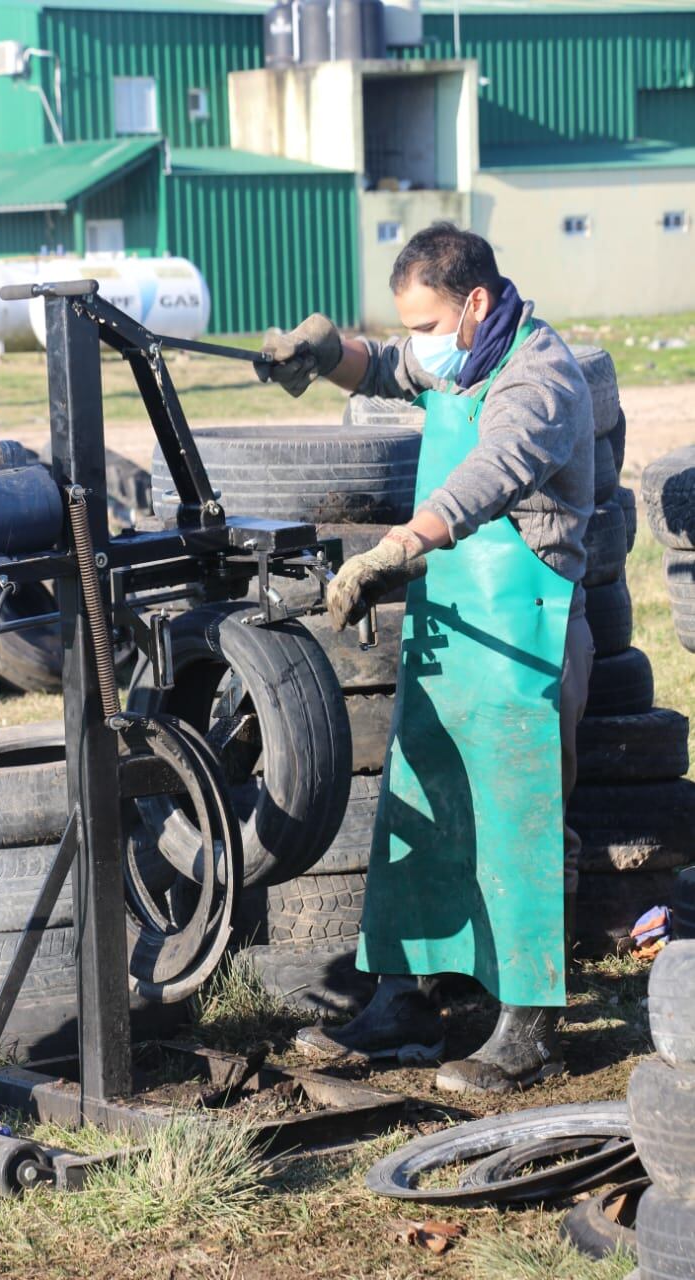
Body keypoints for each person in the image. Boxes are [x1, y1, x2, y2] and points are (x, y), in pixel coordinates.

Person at [256, 222, 595, 1094]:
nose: (419, 343)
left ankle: (528, 1029)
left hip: (526, 628)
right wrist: (325, 350)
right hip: (454, 621)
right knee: (423, 797)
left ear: (474, 303)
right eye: (407, 323)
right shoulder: (461, 353)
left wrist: (396, 546)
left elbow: (492, 469)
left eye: (427, 323)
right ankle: (403, 1001)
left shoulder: (536, 376)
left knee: (519, 821)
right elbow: (385, 370)